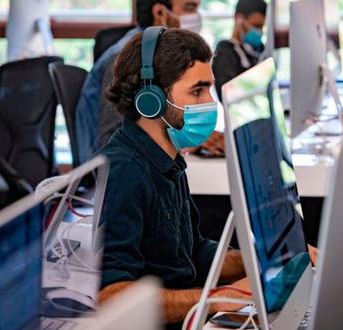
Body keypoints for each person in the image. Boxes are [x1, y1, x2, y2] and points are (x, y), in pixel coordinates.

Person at [96, 27, 249, 328]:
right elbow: (110, 297)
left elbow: (192, 252)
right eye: (197, 90)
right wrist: (216, 298)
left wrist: (261, 263)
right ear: (151, 100)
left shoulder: (168, 159)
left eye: (210, 89)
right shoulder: (122, 173)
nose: (210, 103)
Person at [74, 0, 203, 164]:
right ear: (160, 13)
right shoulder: (126, 59)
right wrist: (184, 142)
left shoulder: (158, 57)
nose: (197, 16)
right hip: (110, 174)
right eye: (190, 7)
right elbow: (111, 141)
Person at [212, 0, 267, 101]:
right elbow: (226, 96)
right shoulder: (225, 51)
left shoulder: (261, 50)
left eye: (262, 26)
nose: (260, 32)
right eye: (256, 26)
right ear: (239, 19)